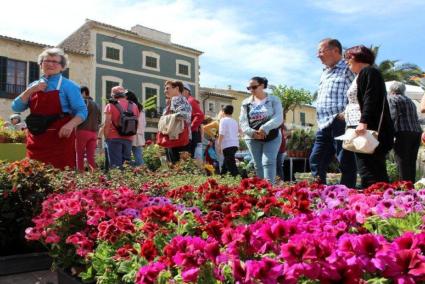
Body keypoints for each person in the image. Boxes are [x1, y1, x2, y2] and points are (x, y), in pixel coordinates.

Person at [11, 47, 87, 169]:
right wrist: (31, 90)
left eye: (55, 62)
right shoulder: (33, 85)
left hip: (59, 139)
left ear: (62, 67)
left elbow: (82, 111)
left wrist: (70, 125)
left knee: (60, 176)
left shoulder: (69, 86)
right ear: (41, 64)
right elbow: (16, 107)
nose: (50, 64)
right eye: (46, 61)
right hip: (36, 138)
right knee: (33, 174)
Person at [345, 45, 394, 188]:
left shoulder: (369, 72)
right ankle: (380, 201)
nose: (347, 61)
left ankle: (377, 202)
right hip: (362, 128)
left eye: (348, 58)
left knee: (369, 171)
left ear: (355, 57)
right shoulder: (362, 74)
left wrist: (363, 122)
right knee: (370, 169)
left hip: (367, 130)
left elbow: (370, 98)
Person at [310, 38, 357, 188]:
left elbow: (360, 90)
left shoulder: (348, 68)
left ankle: (347, 193)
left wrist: (347, 112)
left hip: (340, 121)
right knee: (316, 159)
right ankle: (319, 193)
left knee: (345, 160)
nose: (318, 55)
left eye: (321, 51)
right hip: (323, 123)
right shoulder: (325, 72)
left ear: (335, 50)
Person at [239, 76, 283, 184]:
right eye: (249, 88)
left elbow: (279, 117)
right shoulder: (245, 103)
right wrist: (252, 133)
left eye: (254, 87)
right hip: (253, 138)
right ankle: (261, 189)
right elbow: (243, 121)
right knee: (257, 164)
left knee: (268, 161)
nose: (251, 90)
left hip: (272, 136)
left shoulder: (274, 100)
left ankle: (269, 189)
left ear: (262, 86)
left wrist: (265, 128)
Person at [387, 81, 422, 183]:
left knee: (402, 161)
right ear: (403, 90)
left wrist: (389, 134)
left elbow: (392, 116)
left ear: (391, 90)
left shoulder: (392, 99)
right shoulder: (410, 101)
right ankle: (412, 186)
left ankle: (405, 187)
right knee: (411, 161)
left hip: (402, 132)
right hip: (416, 132)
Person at [104, 86, 139, 169]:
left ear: (113, 95)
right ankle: (126, 181)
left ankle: (117, 181)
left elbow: (107, 123)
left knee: (116, 165)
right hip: (128, 138)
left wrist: (106, 137)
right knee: (126, 164)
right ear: (124, 94)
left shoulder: (110, 105)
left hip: (113, 137)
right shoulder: (134, 105)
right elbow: (137, 123)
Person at [163, 80, 192, 163]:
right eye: (165, 89)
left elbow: (184, 115)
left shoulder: (176, 99)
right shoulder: (182, 100)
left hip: (177, 137)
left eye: (167, 88)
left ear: (176, 88)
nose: (165, 91)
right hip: (182, 137)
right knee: (182, 166)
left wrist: (168, 117)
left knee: (176, 166)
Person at [76, 86, 101, 172]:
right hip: (94, 133)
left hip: (82, 131)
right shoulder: (97, 105)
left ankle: (80, 174)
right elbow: (99, 120)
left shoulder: (83, 102)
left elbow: (77, 117)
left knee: (80, 154)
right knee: (91, 156)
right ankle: (95, 175)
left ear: (83, 93)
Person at [182, 82, 205, 158]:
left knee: (190, 157)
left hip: (192, 134)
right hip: (191, 133)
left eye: (181, 90)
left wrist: (190, 128)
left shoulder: (190, 100)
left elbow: (200, 115)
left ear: (187, 91)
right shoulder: (187, 101)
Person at [217, 105, 239, 176]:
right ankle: (222, 176)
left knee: (231, 164)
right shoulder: (234, 121)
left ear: (223, 112)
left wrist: (219, 144)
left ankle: (239, 178)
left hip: (227, 144)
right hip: (235, 144)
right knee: (227, 162)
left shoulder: (223, 120)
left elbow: (221, 133)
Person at [126, 91, 146, 166]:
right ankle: (141, 171)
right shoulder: (140, 108)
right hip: (138, 134)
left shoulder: (131, 107)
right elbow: (143, 123)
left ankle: (136, 169)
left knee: (127, 157)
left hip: (131, 133)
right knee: (138, 157)